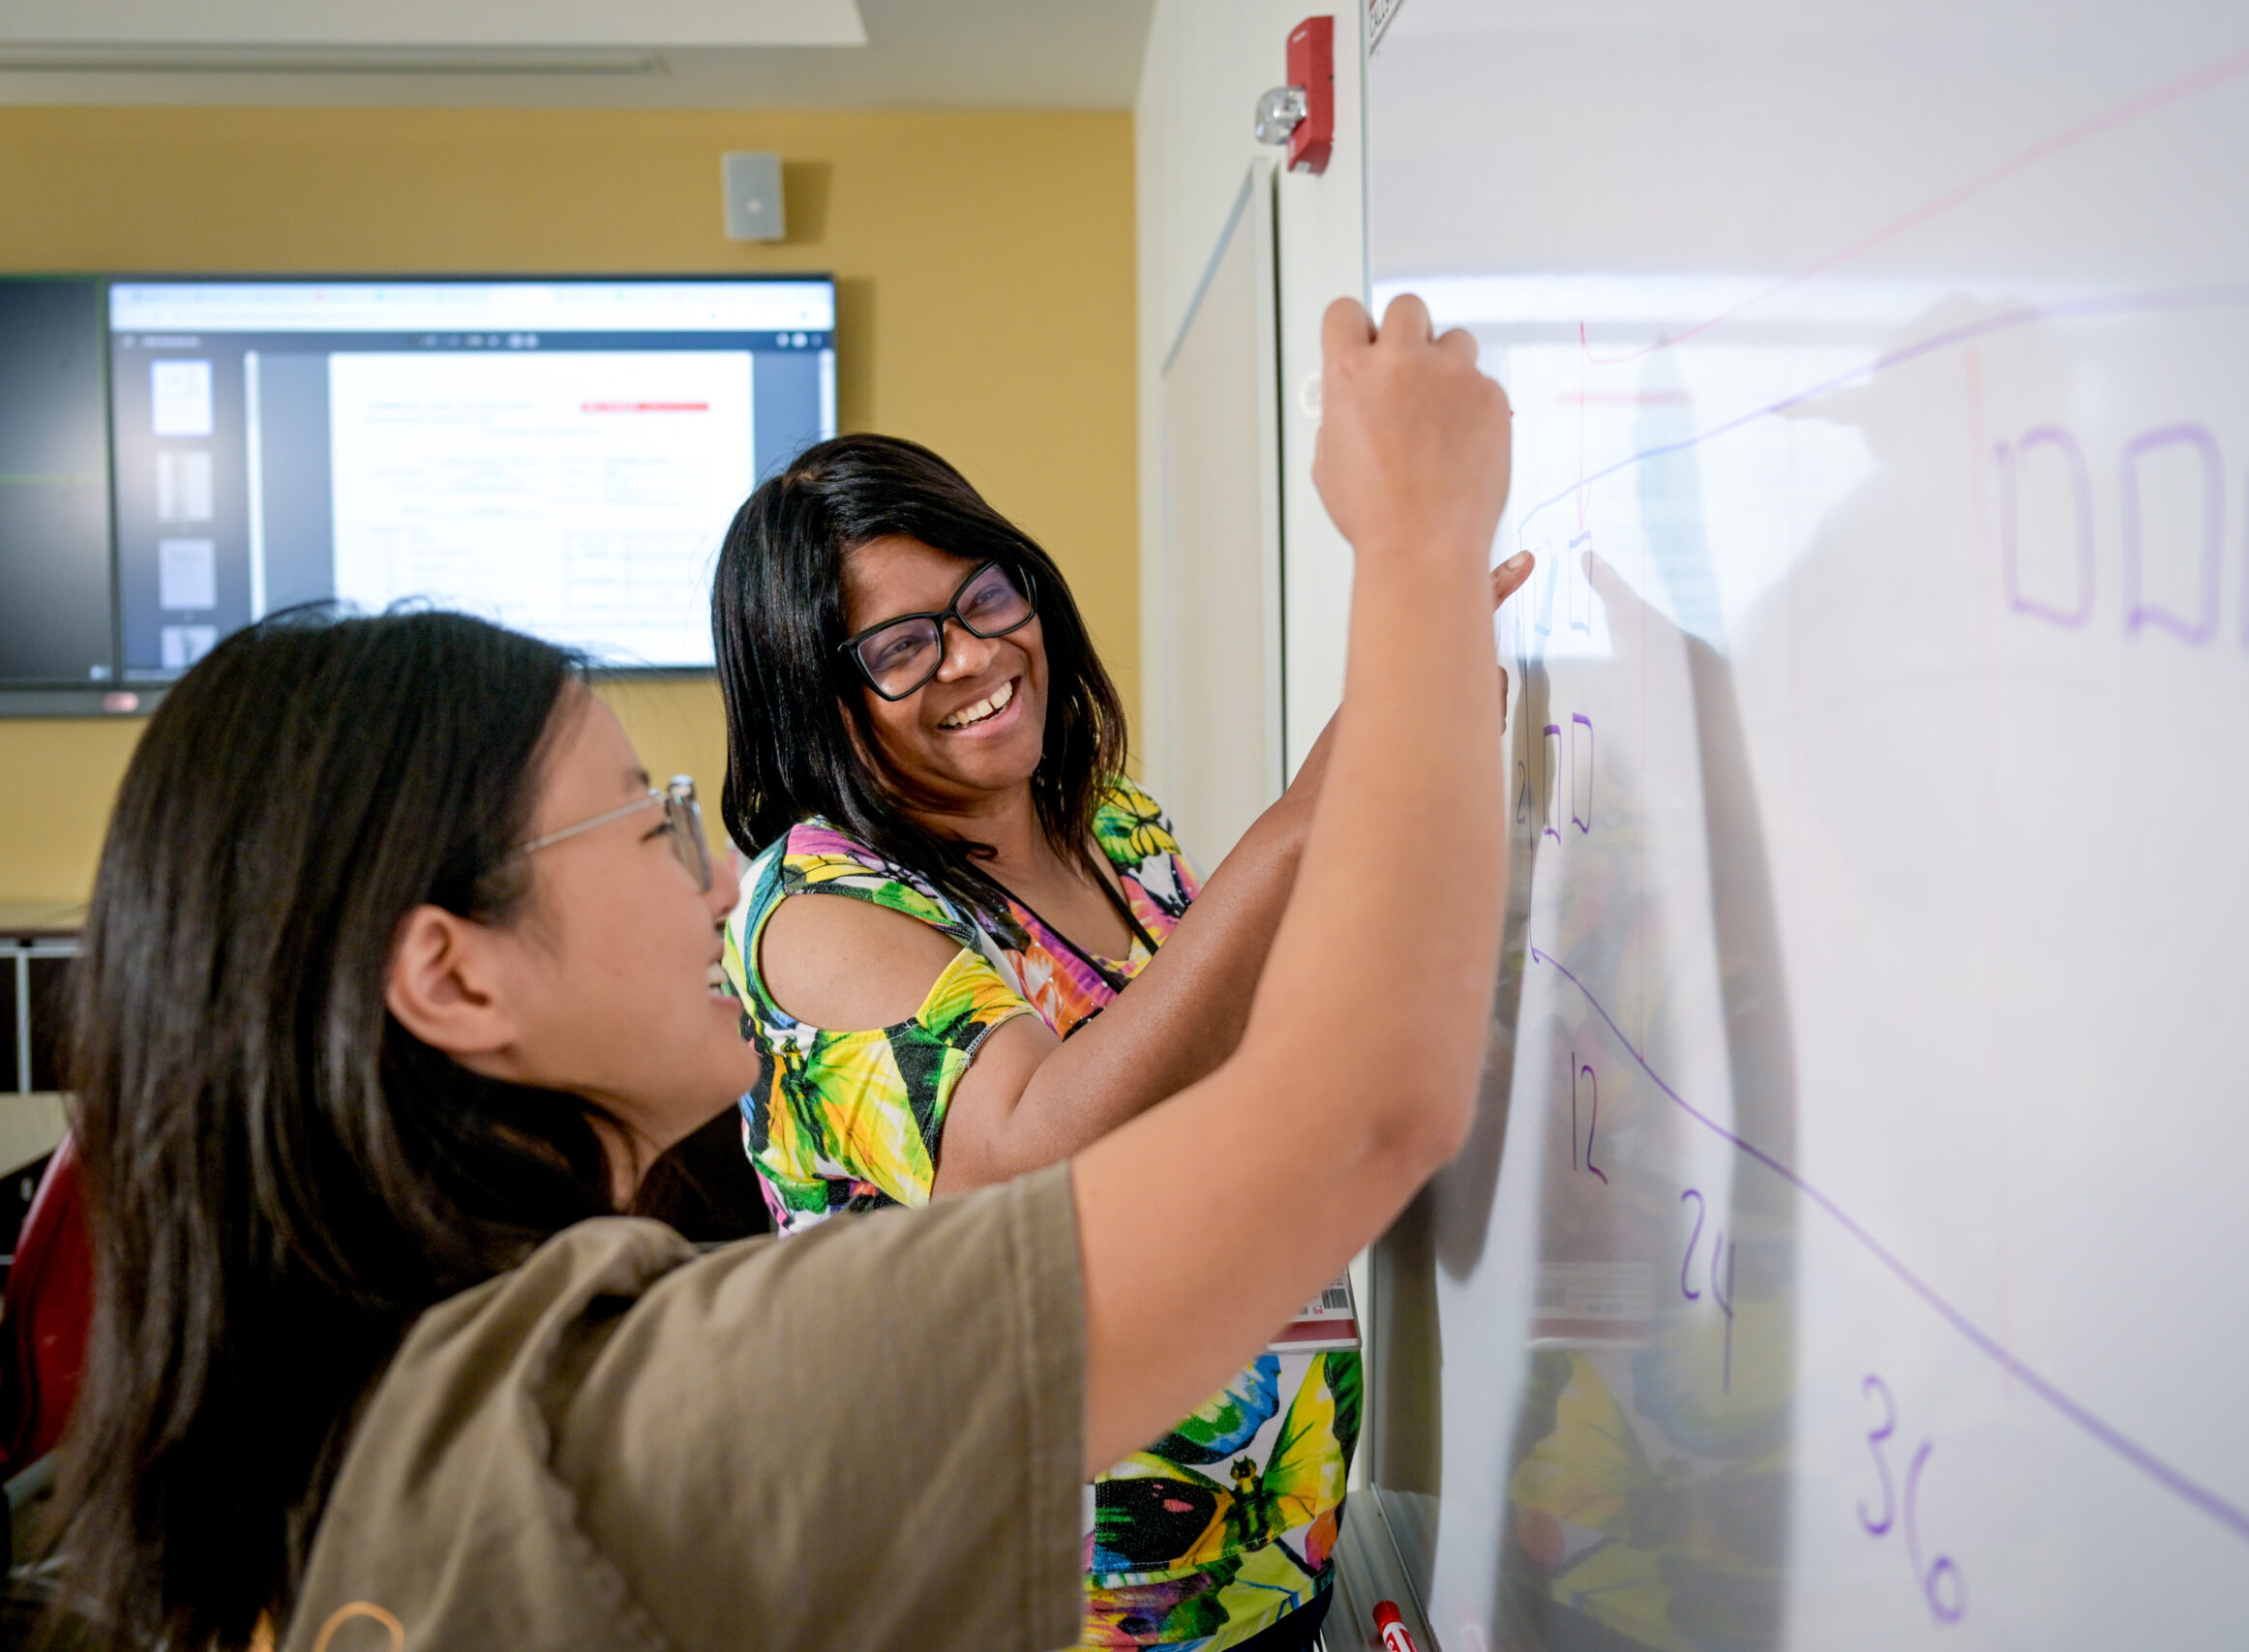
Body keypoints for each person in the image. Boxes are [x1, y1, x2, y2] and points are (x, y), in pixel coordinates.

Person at [46, 293, 1510, 1652]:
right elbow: (1354, 1105)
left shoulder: (409, 1409)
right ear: (456, 978)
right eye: (641, 814)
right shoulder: (636, 1410)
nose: (719, 872)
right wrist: (1416, 559)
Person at [710, 435, 1528, 1649]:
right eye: (900, 646)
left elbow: (1254, 1031)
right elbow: (1033, 1157)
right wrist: (1307, 819)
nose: (978, 655)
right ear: (811, 694)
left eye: (985, 594)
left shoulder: (1112, 824)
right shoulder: (822, 912)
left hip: (1263, 1572)